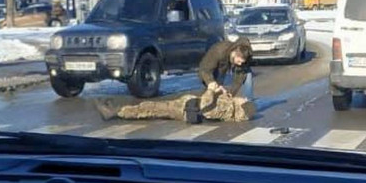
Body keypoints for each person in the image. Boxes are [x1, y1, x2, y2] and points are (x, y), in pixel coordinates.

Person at [93, 38, 255, 123]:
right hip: (192, 101)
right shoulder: (220, 50)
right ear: (234, 50)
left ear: (240, 107)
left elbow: (206, 107)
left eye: (244, 100)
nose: (244, 98)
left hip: (186, 108)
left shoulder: (226, 109)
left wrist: (213, 90)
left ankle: (115, 111)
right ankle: (116, 110)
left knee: (152, 108)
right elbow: (204, 69)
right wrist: (216, 87)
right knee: (151, 108)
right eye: (238, 59)